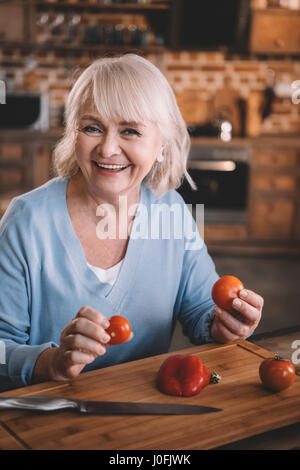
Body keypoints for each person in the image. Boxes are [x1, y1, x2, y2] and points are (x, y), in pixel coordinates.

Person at [0, 54, 263, 391]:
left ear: (161, 145)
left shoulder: (171, 211)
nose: (108, 149)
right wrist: (51, 362)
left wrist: (227, 323)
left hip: (144, 416)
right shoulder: (27, 222)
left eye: (130, 131)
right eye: (92, 127)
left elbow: (202, 310)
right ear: (73, 134)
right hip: (49, 421)